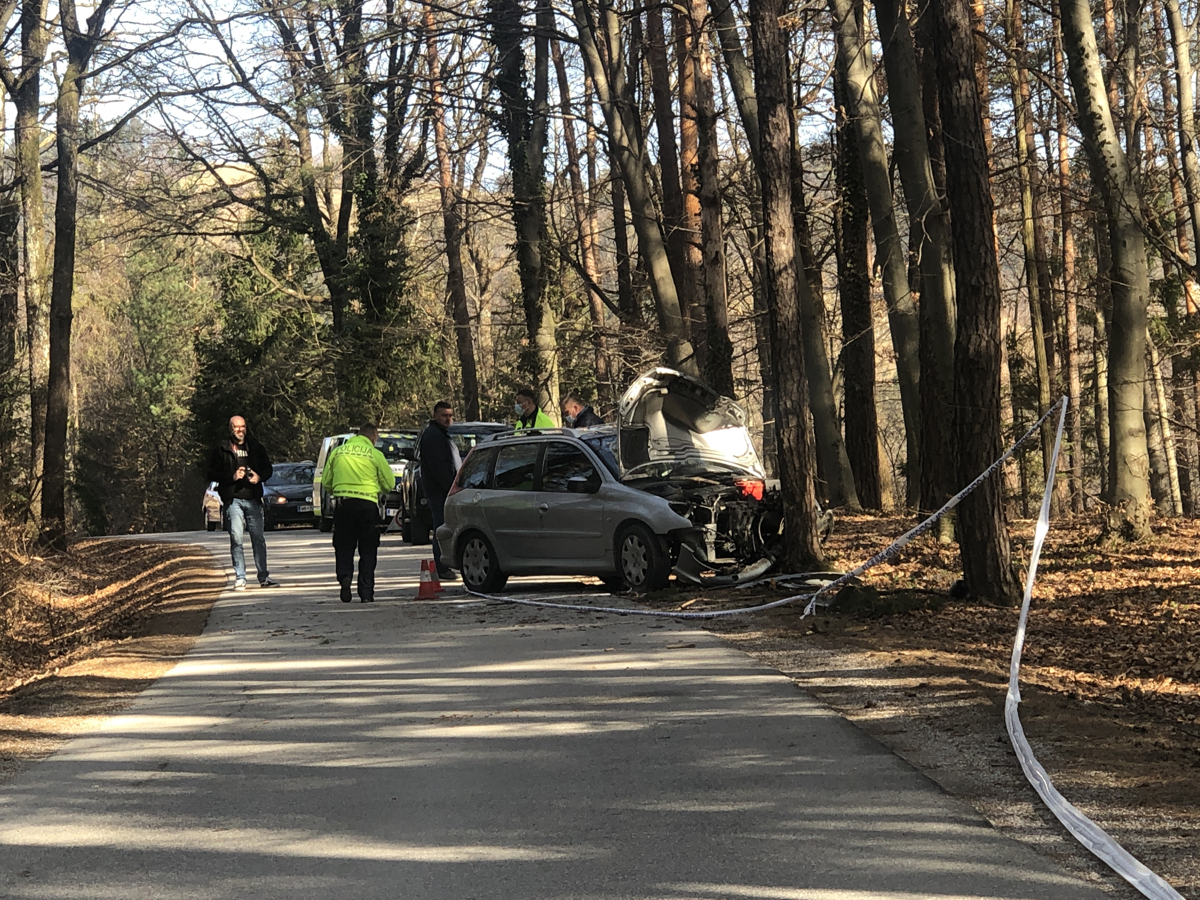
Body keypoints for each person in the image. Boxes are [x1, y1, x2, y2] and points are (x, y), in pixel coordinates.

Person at [324, 423, 396, 603]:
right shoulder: (375, 454)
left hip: (344, 505)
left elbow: (326, 482)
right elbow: (389, 484)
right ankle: (366, 592)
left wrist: (338, 490)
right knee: (368, 549)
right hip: (368, 506)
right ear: (374, 437)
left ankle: (345, 577)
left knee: (344, 546)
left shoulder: (338, 452)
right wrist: (377, 489)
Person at [207, 415, 278, 591]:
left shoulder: (255, 447)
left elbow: (268, 469)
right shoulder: (221, 449)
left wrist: (258, 477)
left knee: (258, 539)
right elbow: (210, 473)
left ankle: (264, 576)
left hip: (253, 498)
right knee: (236, 538)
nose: (240, 430)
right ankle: (240, 577)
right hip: (233, 499)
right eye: (237, 427)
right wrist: (232, 477)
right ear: (230, 428)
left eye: (243, 427)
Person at [419, 401, 460, 580]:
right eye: (444, 415)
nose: (447, 419)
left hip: (443, 490)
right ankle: (442, 567)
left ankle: (444, 565)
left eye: (450, 416)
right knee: (441, 528)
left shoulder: (441, 434)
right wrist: (451, 487)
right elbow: (439, 467)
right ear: (435, 415)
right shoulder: (433, 436)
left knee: (443, 527)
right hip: (440, 491)